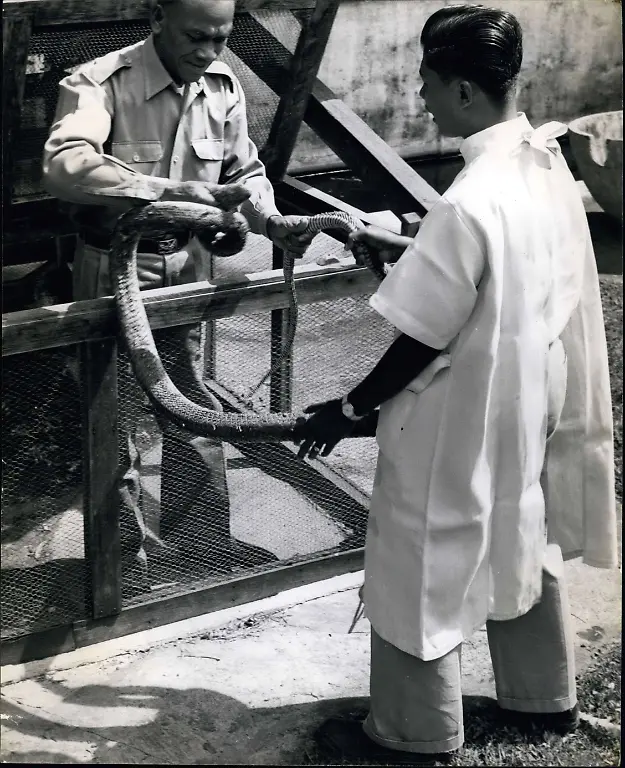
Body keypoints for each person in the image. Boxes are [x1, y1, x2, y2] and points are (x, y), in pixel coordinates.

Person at [294, 5, 618, 762]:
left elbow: (421, 336)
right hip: (528, 393)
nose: (422, 97)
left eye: (428, 84)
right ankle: (541, 698)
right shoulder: (542, 168)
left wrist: (347, 408)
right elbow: (509, 272)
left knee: (422, 552)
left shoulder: (468, 201)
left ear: (465, 91)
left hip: (459, 404)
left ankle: (413, 733)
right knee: (519, 527)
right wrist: (410, 245)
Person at [43, 0, 315, 585]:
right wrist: (174, 191)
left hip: (188, 268)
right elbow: (65, 166)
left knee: (191, 403)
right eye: (196, 37)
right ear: (157, 17)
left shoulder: (224, 86)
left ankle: (205, 548)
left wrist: (272, 221)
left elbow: (246, 175)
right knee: (110, 418)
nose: (209, 52)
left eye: (221, 39)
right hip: (119, 267)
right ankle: (123, 565)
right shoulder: (99, 82)